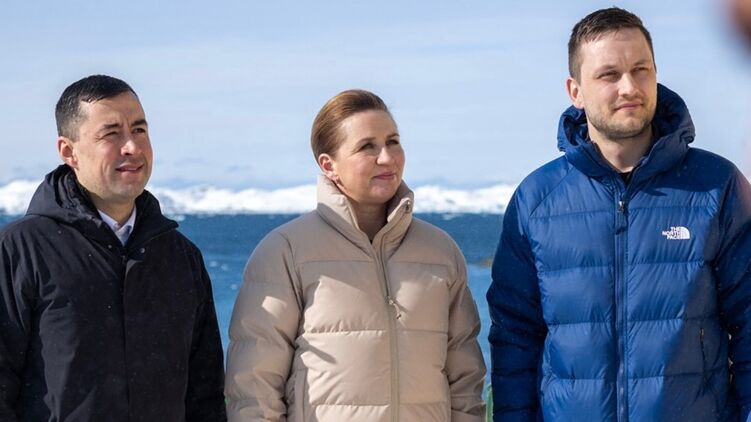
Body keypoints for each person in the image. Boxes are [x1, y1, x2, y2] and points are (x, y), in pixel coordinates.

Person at [487, 7, 751, 421]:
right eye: (609, 75)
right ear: (575, 91)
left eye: (640, 70)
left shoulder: (717, 187)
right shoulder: (536, 201)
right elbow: (514, 341)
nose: (629, 87)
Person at [225, 89, 486, 421]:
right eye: (367, 147)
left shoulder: (440, 251)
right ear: (328, 165)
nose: (387, 158)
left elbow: (465, 382)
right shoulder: (285, 251)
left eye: (393, 142)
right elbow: (254, 389)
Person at [0, 75, 227, 421]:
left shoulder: (181, 257)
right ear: (68, 151)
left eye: (139, 130)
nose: (132, 147)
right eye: (111, 133)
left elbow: (205, 395)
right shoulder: (19, 250)